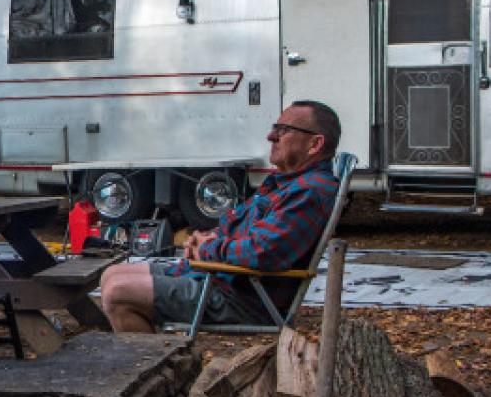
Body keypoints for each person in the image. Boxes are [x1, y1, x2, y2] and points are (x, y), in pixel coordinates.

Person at [100, 101, 342, 331]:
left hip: (244, 298)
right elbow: (243, 227)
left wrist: (207, 249)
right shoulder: (287, 183)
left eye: (284, 130)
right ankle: (164, 361)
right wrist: (206, 237)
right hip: (221, 276)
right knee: (111, 275)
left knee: (118, 292)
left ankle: (157, 369)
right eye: (274, 128)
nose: (271, 137)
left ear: (315, 144)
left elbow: (262, 253)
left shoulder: (309, 191)